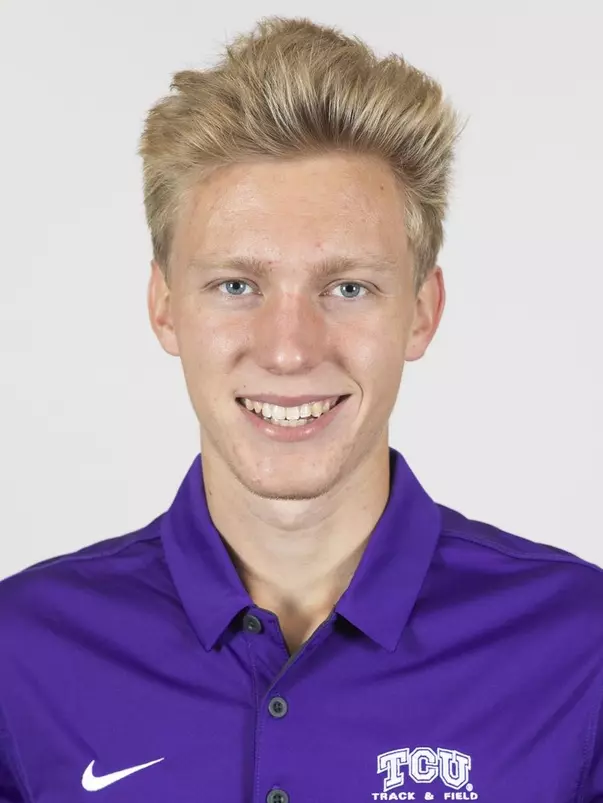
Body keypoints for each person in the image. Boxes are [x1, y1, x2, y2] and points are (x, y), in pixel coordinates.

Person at [1, 14, 602, 803]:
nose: (288, 350)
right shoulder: (21, 654)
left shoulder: (581, 649)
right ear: (164, 307)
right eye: (236, 285)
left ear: (421, 311)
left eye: (346, 287)